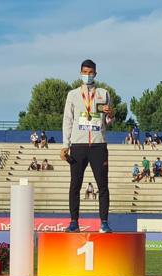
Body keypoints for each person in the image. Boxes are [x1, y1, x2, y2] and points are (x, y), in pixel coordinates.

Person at [60, 59, 114, 233]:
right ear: (80, 73)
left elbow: (109, 122)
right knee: (75, 185)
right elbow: (67, 120)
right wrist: (65, 145)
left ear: (95, 74)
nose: (87, 75)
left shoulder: (104, 93)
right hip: (78, 145)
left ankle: (104, 222)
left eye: (90, 72)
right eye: (84, 72)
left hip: (98, 145)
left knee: (103, 185)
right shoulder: (73, 95)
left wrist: (110, 115)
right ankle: (74, 221)